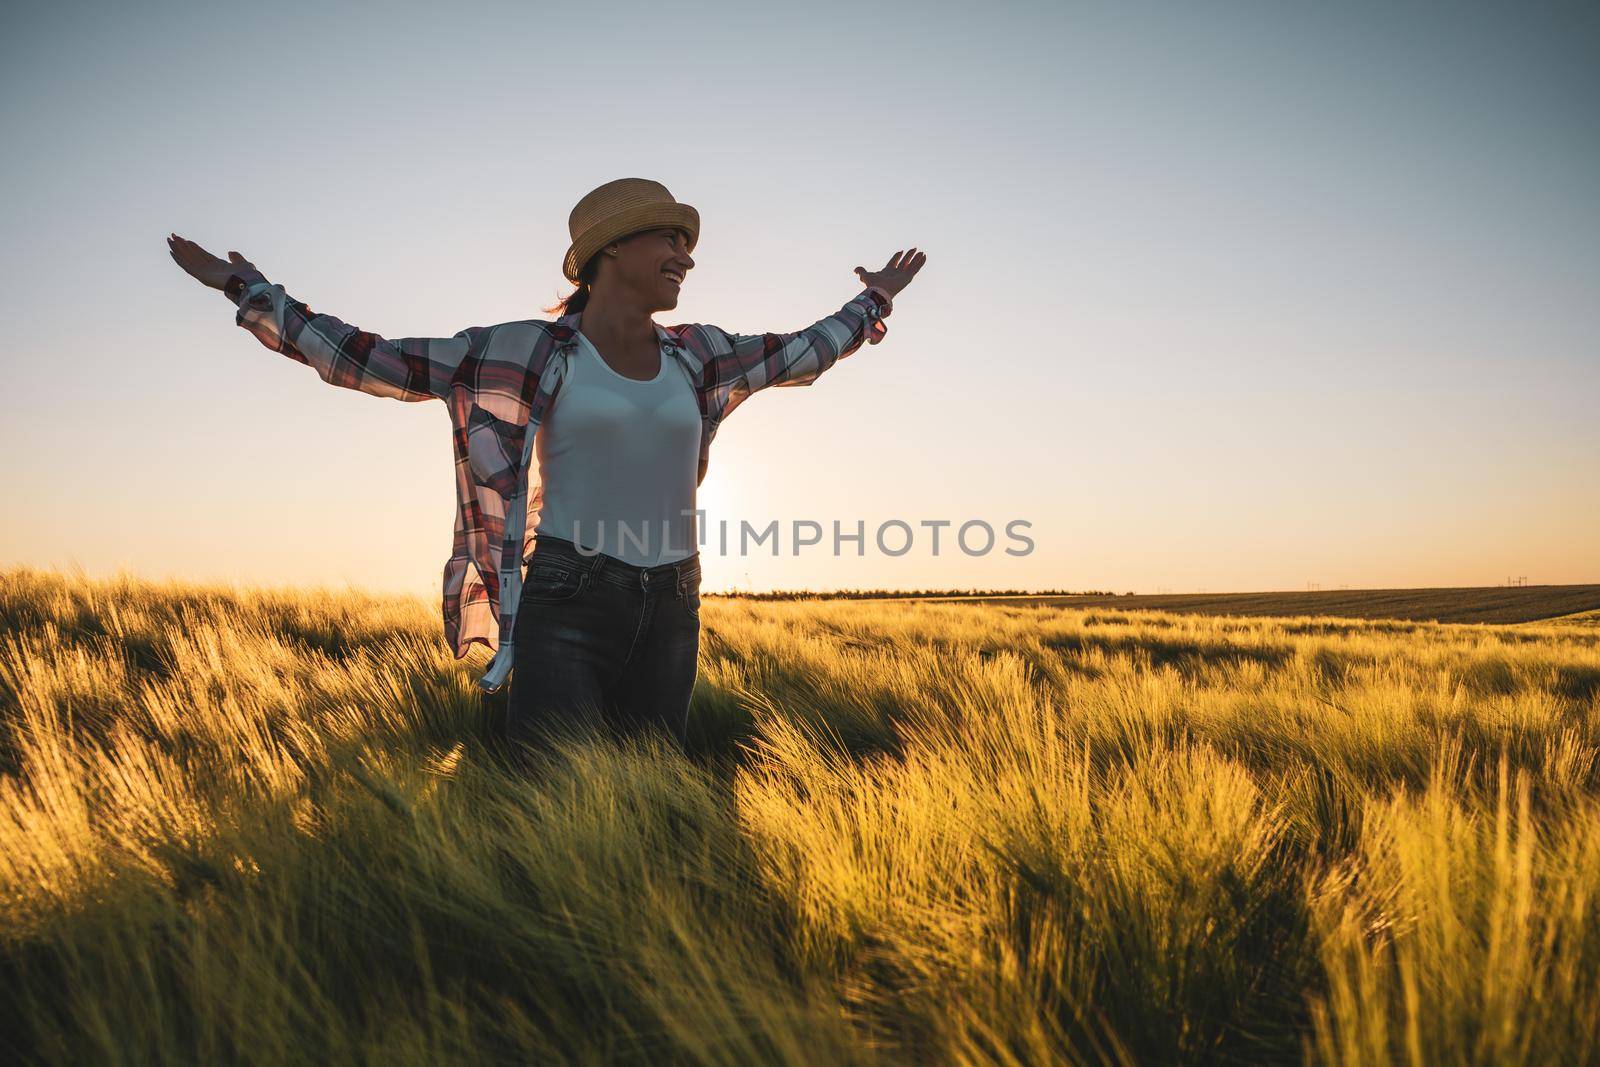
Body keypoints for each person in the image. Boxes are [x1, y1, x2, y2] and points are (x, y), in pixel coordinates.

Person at [168, 177, 925, 760]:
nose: (686, 256)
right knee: (556, 792)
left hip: (675, 604)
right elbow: (375, 359)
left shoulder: (701, 353)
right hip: (569, 597)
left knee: (652, 795)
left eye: (687, 243)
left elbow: (802, 349)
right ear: (612, 251)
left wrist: (872, 302)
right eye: (669, 237)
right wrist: (253, 294)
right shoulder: (526, 350)